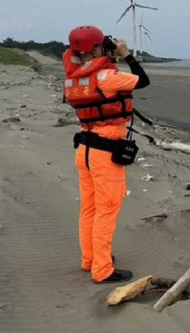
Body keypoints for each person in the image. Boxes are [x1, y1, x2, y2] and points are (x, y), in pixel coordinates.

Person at [62, 25, 150, 283]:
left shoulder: (74, 79)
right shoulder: (108, 78)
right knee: (106, 210)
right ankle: (102, 269)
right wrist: (126, 54)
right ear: (98, 48)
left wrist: (107, 56)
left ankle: (89, 259)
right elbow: (142, 81)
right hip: (105, 153)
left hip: (85, 150)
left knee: (88, 209)